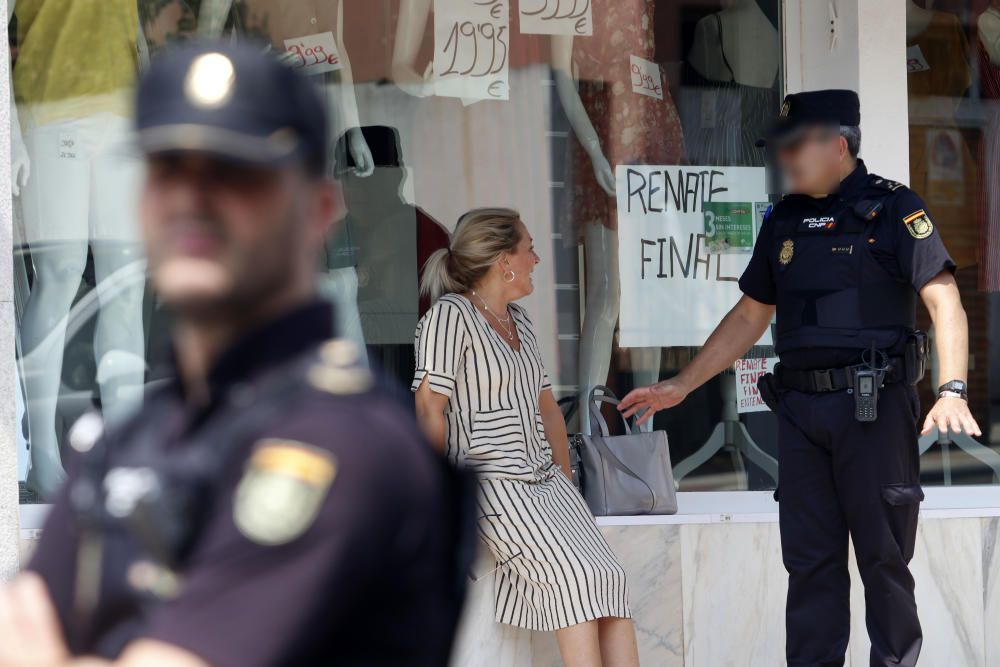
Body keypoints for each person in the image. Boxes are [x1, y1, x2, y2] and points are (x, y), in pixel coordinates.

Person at [0, 41, 474, 667]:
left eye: (235, 173)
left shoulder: (353, 445)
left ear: (319, 210)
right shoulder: (135, 436)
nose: (193, 198)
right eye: (168, 169)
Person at [620, 89, 980, 667]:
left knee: (884, 563)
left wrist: (951, 387)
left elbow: (944, 301)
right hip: (801, 414)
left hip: (873, 411)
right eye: (779, 146)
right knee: (810, 565)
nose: (782, 157)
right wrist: (681, 385)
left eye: (793, 145)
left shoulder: (892, 208)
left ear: (837, 144)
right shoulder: (783, 218)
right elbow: (748, 315)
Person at [412, 209, 640, 667]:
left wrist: (566, 480)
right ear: (503, 260)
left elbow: (549, 411)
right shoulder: (449, 317)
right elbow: (427, 408)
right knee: (573, 580)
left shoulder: (519, 320)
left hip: (546, 482)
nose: (537, 258)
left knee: (610, 578)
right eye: (529, 248)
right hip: (493, 483)